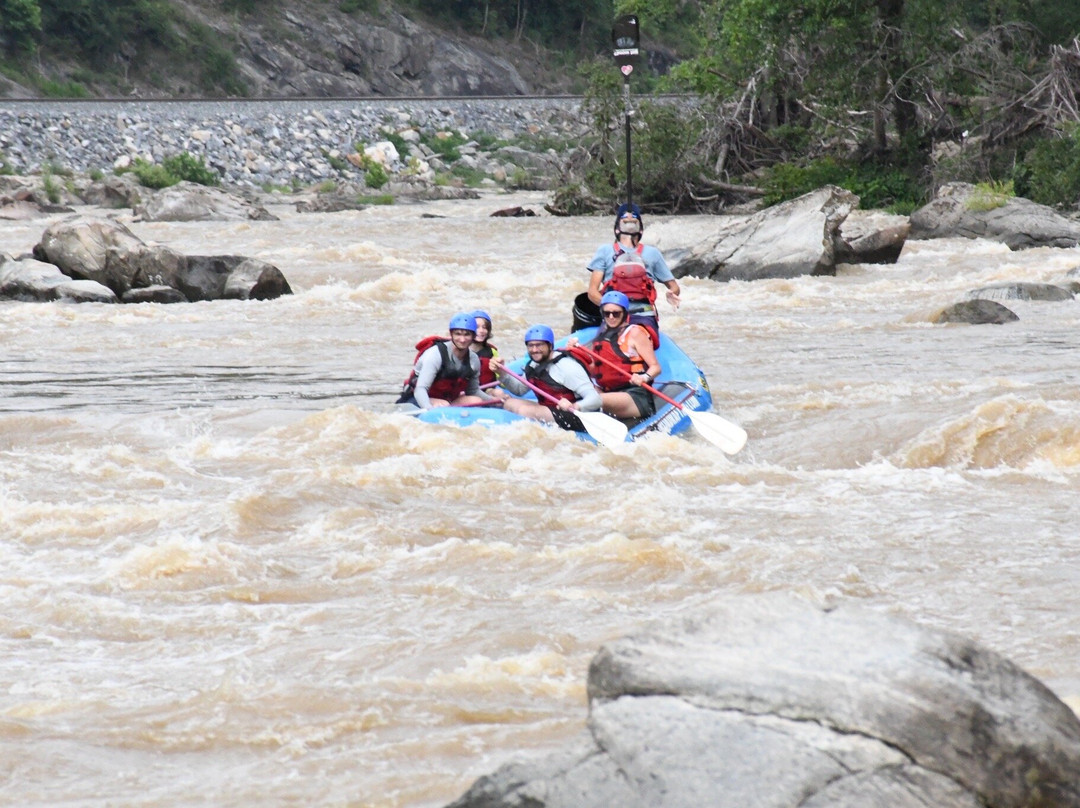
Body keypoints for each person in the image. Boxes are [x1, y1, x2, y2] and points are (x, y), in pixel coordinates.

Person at [579, 202, 681, 336]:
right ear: (617, 228)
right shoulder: (605, 251)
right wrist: (611, 309)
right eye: (624, 219)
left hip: (644, 315)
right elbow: (592, 292)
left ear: (641, 230)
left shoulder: (653, 253)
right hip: (614, 317)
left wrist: (671, 293)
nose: (630, 219)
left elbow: (674, 287)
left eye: (634, 219)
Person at [569, 291, 661, 422]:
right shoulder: (603, 335)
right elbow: (596, 369)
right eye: (607, 313)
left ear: (624, 313)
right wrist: (576, 353)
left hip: (634, 396)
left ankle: (575, 409)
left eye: (616, 313)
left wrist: (644, 377)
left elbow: (656, 367)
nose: (611, 317)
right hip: (608, 392)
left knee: (592, 400)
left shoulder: (635, 333)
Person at [489, 324, 602, 430]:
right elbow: (519, 390)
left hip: (578, 415)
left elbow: (595, 399)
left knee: (525, 411)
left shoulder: (566, 366)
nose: (534, 350)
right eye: (530, 345)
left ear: (550, 346)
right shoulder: (533, 365)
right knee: (510, 403)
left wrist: (576, 406)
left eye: (539, 345)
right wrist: (502, 373)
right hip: (552, 409)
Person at [397, 313, 493, 409]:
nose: (462, 339)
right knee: (444, 404)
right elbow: (420, 389)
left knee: (476, 401)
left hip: (447, 400)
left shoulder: (473, 360)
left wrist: (494, 401)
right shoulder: (435, 355)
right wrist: (429, 409)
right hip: (417, 398)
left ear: (473, 336)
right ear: (451, 334)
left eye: (467, 334)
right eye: (458, 334)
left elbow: (473, 391)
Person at [469, 309, 499, 387]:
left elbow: (499, 377)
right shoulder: (460, 350)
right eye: (477, 327)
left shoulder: (492, 351)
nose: (481, 331)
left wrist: (501, 373)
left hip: (487, 390)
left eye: (485, 327)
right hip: (465, 392)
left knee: (499, 393)